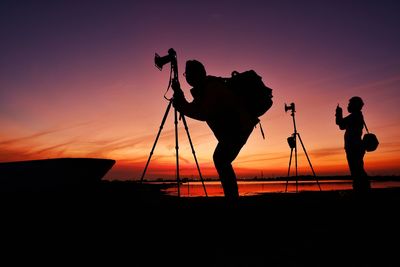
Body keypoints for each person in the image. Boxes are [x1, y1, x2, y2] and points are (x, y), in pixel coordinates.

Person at [172, 60, 259, 199]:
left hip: (239, 127)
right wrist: (179, 95)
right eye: (185, 74)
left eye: (188, 74)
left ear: (197, 74)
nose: (187, 77)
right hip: (236, 128)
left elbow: (202, 113)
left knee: (221, 159)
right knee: (221, 159)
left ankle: (232, 198)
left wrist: (181, 105)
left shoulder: (211, 88)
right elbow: (194, 108)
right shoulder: (204, 88)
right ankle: (231, 197)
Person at [335, 96, 370, 194]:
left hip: (354, 147)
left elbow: (339, 122)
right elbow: (342, 126)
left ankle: (361, 190)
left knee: (356, 170)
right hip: (355, 147)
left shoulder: (355, 116)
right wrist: (339, 114)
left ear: (355, 105)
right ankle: (362, 190)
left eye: (349, 104)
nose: (348, 106)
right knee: (357, 169)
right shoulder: (357, 116)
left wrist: (338, 113)